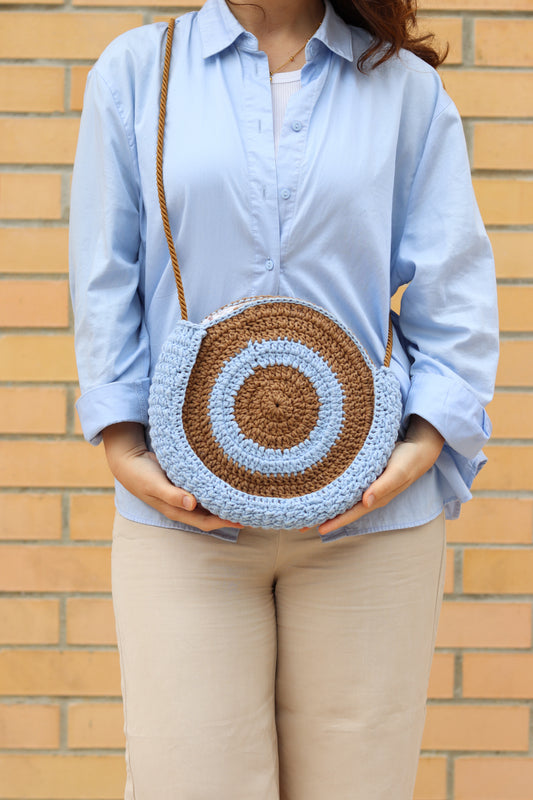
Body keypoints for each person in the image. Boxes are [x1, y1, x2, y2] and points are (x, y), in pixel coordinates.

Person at [69, 0, 499, 797]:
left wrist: (426, 439)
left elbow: (455, 286)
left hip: (372, 520)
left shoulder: (401, 88)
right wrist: (121, 439)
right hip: (183, 518)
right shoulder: (135, 74)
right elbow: (103, 273)